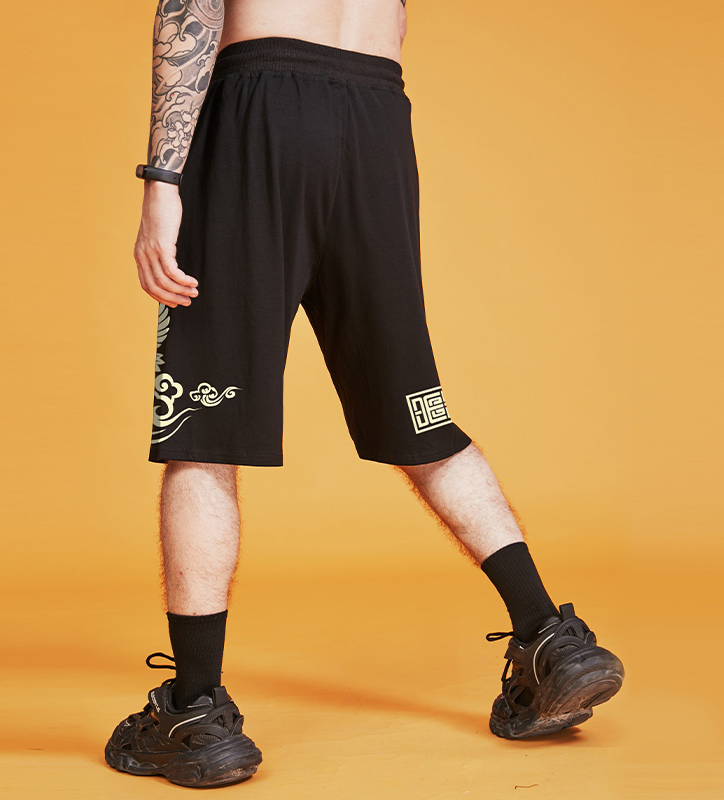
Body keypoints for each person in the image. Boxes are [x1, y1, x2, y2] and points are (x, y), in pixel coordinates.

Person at [104, 0, 624, 788]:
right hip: (376, 118)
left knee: (205, 426)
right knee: (420, 417)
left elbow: (193, 9)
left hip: (260, 112)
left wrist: (163, 180)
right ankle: (552, 639)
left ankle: (195, 710)